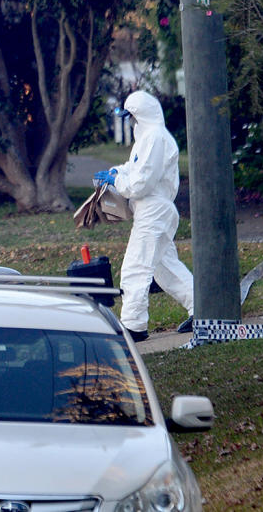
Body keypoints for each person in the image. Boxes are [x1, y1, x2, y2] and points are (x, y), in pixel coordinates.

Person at [94, 91, 194, 341]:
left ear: (139, 115)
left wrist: (117, 180)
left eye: (130, 117)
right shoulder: (149, 139)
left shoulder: (155, 139)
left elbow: (141, 183)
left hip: (154, 209)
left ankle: (134, 326)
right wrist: (115, 172)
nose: (129, 122)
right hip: (153, 210)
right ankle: (202, 309)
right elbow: (136, 168)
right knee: (164, 267)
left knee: (135, 267)